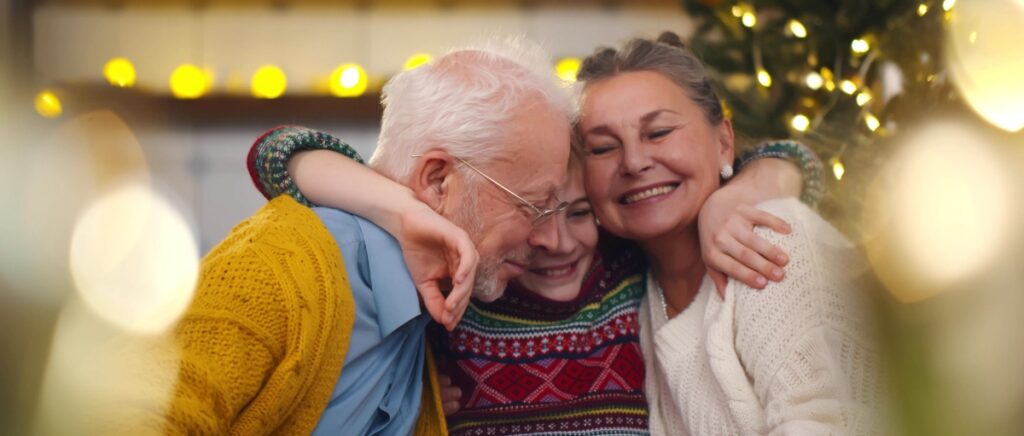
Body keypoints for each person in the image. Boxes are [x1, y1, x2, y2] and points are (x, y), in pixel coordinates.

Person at [246, 84, 816, 436]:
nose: (553, 241)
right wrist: (402, 210)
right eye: (530, 210)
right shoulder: (467, 279)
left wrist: (735, 195)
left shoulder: (621, 264)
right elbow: (279, 150)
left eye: (576, 212)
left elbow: (788, 155)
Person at [97, 37, 581, 436]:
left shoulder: (437, 307)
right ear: (437, 181)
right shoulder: (276, 269)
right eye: (534, 205)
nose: (552, 238)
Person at [575, 32, 882, 434]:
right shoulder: (621, 290)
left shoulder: (771, 239)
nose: (633, 162)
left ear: (723, 143)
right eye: (602, 148)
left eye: (658, 132)